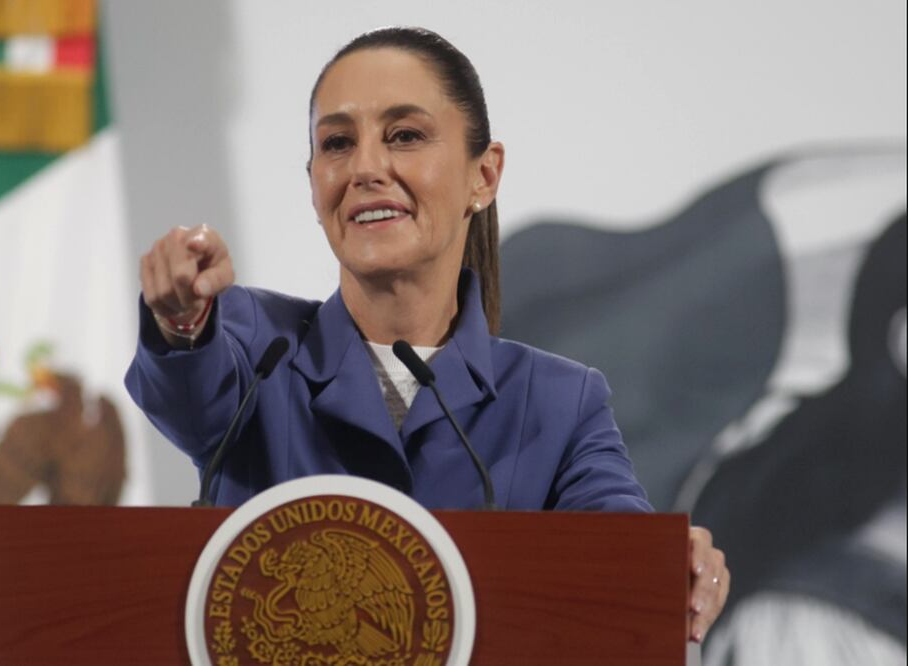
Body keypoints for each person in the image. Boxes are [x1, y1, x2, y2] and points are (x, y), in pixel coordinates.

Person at [125, 26, 729, 642]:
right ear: (313, 183)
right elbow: (189, 388)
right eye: (337, 143)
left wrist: (670, 563)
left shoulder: (559, 403)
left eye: (404, 136)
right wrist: (180, 319)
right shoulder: (259, 348)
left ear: (484, 175)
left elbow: (620, 553)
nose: (364, 167)